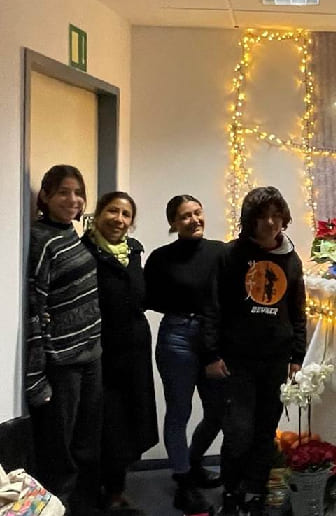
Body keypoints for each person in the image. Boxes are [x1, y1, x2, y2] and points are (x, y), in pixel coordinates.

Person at [207, 187, 306, 516]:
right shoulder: (230, 255)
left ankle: (254, 492)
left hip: (276, 360)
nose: (270, 223)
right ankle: (231, 490)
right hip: (237, 360)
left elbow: (297, 311)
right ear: (250, 220)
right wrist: (211, 354)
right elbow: (213, 307)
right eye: (263, 216)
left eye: (277, 216)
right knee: (239, 431)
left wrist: (297, 357)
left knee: (265, 431)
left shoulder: (291, 259)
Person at [26, 165, 104, 515]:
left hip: (91, 354)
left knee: (86, 442)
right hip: (62, 361)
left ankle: (81, 506)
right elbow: (35, 306)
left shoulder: (72, 234)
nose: (73, 200)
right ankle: (59, 507)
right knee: (60, 449)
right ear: (44, 196)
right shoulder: (40, 239)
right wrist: (36, 376)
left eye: (78, 193)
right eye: (63, 192)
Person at [144, 195, 225, 514]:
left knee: (218, 411)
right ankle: (183, 480)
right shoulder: (161, 258)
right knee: (179, 412)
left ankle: (192, 462)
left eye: (197, 212)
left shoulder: (221, 252)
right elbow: (149, 298)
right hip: (177, 337)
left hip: (214, 338)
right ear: (173, 223)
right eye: (185, 216)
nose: (194, 220)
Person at [82, 192, 159, 515]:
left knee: (133, 419)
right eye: (112, 211)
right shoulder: (85, 251)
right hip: (102, 352)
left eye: (126, 214)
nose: (119, 219)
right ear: (98, 214)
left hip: (135, 351)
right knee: (107, 424)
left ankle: (117, 488)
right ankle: (102, 493)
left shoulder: (135, 252)